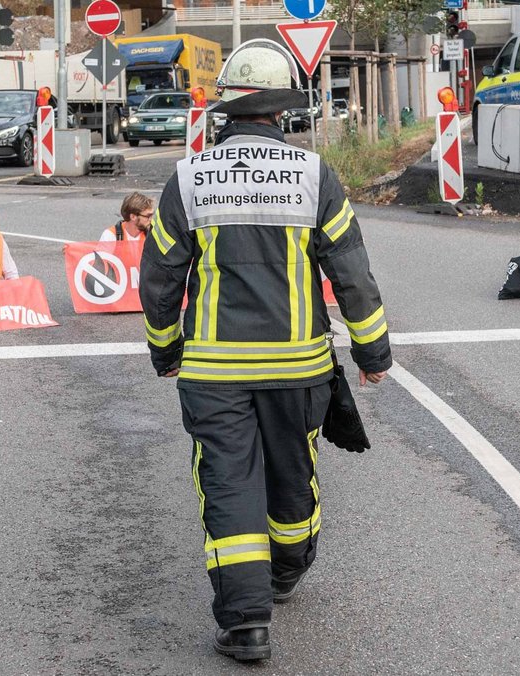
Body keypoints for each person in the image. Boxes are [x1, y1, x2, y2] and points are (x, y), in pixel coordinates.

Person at [139, 39, 392, 663]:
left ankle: (247, 624)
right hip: (297, 369)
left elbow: (161, 278)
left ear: (224, 109)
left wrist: (165, 349)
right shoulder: (314, 177)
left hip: (214, 371)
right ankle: (286, 569)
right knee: (291, 476)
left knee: (227, 483)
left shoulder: (189, 177)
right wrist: (372, 352)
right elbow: (352, 274)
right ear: (280, 114)